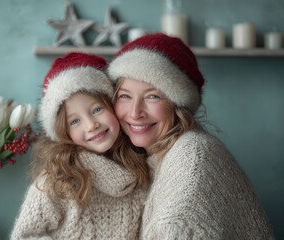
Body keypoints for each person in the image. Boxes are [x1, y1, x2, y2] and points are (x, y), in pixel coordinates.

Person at [107, 33, 275, 239]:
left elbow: (178, 227)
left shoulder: (192, 158)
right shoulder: (157, 153)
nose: (135, 112)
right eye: (125, 96)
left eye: (152, 96)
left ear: (177, 104)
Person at [10, 52, 150, 240]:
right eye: (75, 121)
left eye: (97, 109)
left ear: (113, 107)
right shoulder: (56, 180)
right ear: (63, 132)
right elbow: (26, 235)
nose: (91, 124)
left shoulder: (140, 170)